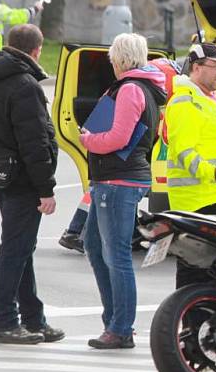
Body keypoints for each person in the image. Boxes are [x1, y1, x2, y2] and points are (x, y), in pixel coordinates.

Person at [0, 23, 63, 345]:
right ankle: (4, 321)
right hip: (22, 179)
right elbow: (36, 142)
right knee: (15, 250)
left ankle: (33, 319)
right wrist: (46, 189)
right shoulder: (25, 85)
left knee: (21, 247)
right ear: (37, 50)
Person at [79, 33, 165, 350]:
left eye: (113, 58)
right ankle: (114, 319)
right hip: (119, 178)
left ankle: (121, 327)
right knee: (93, 244)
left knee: (116, 255)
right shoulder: (144, 88)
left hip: (119, 180)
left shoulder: (130, 89)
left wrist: (87, 138)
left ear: (119, 58)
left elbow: (117, 138)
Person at [58, 58, 181, 254]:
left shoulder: (142, 76)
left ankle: (80, 231)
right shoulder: (165, 79)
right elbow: (158, 119)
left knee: (107, 190)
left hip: (112, 133)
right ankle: (78, 232)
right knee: (118, 189)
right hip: (125, 141)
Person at [165, 43, 216, 288]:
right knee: (195, 271)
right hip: (197, 201)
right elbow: (183, 151)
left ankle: (209, 319)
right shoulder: (185, 101)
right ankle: (190, 321)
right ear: (196, 68)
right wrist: (208, 172)